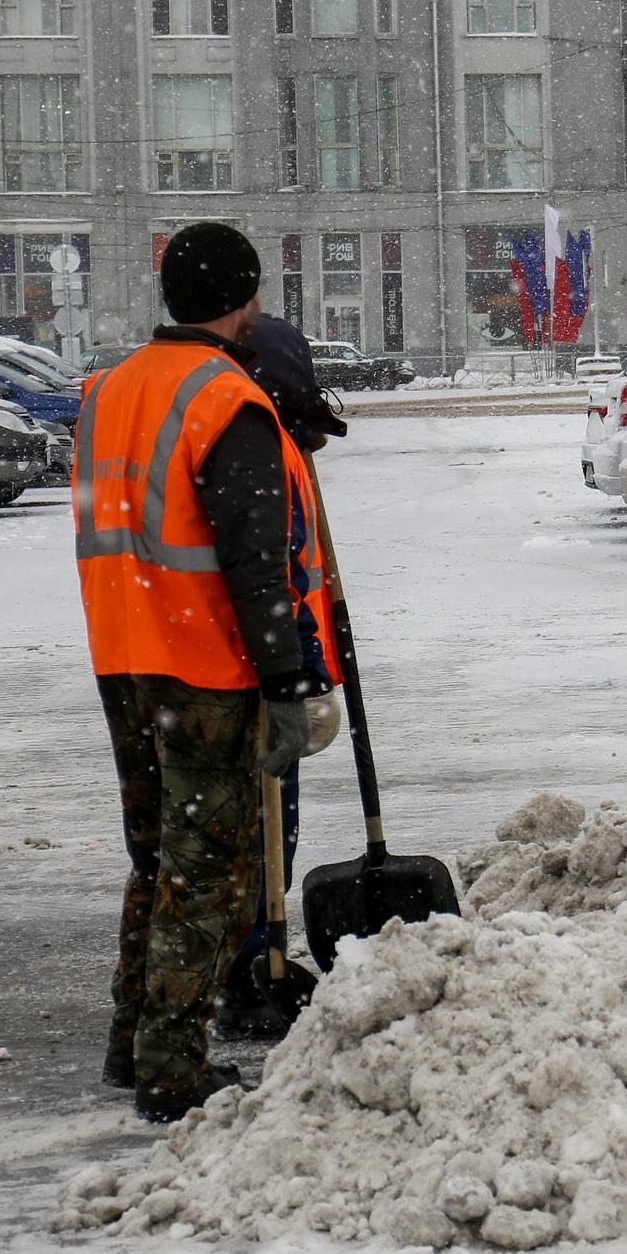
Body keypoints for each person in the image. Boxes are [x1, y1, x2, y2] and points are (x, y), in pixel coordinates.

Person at [74, 223, 330, 1123]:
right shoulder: (225, 398)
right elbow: (256, 563)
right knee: (207, 869)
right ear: (247, 298)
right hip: (204, 670)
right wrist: (289, 680)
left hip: (123, 655)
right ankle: (171, 1069)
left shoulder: (110, 391)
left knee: (155, 859)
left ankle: (131, 1040)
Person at [211, 315, 348, 1037]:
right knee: (258, 828)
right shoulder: (258, 449)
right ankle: (249, 963)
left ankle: (246, 955)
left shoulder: (258, 439)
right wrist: (298, 675)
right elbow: (274, 575)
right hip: (252, 669)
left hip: (208, 665)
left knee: (246, 832)